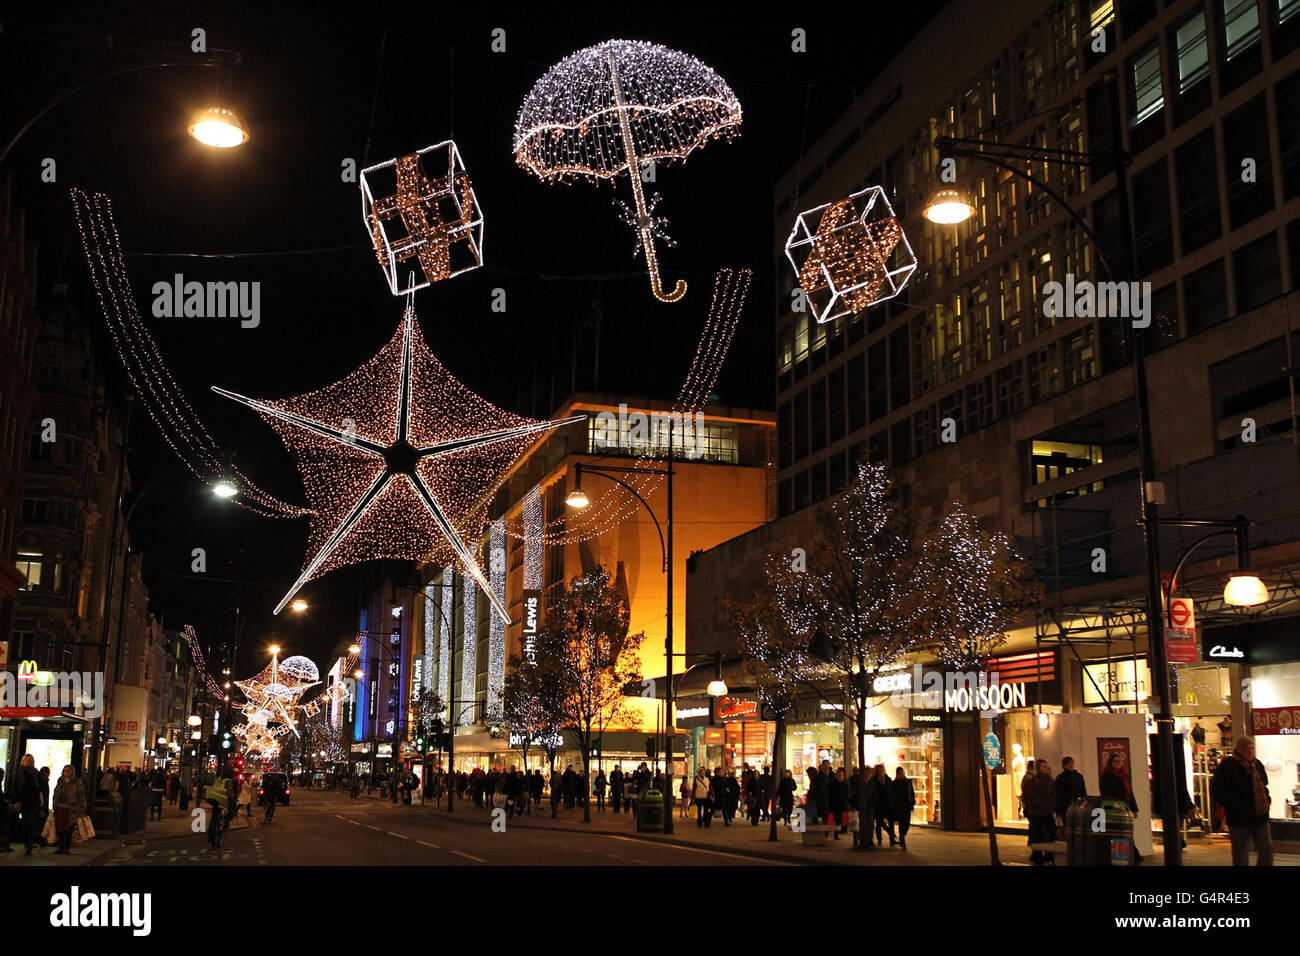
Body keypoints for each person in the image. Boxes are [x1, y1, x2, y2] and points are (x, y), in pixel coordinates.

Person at [1211, 735, 1273, 866]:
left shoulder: (1257, 764)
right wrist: (1234, 804)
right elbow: (1218, 789)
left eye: (1252, 748)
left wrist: (1267, 800)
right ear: (1238, 749)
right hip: (1239, 817)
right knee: (1240, 851)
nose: (1250, 752)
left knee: (1266, 848)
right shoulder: (1228, 765)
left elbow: (1264, 784)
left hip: (1260, 814)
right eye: (1247, 749)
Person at [1022, 759, 1057, 865]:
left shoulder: (1050, 780)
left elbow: (1054, 795)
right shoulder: (1033, 781)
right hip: (1037, 813)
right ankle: (1037, 855)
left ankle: (1049, 855)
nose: (1046, 768)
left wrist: (1051, 805)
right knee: (1036, 834)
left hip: (1047, 812)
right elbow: (1031, 796)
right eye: (1044, 766)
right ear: (1039, 768)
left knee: (1052, 832)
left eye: (1047, 766)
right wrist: (1042, 805)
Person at [51, 765, 87, 855]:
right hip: (60, 807)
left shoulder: (77, 782)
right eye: (65, 771)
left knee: (68, 827)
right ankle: (60, 846)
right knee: (60, 827)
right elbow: (56, 793)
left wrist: (82, 808)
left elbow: (81, 796)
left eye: (68, 771)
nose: (66, 773)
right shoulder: (60, 781)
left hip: (71, 808)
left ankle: (66, 846)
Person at [14, 754, 41, 856]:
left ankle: (29, 844)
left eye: (29, 760)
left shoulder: (33, 772)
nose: (28, 762)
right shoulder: (24, 771)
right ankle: (28, 843)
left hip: (31, 801)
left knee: (29, 823)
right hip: (27, 801)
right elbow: (20, 786)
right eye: (26, 760)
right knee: (28, 823)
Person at [1054, 756, 1088, 823]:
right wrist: (1058, 810)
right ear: (1064, 765)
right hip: (1065, 805)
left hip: (1077, 804)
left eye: (1072, 763)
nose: (1071, 765)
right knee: (1067, 823)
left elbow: (1083, 791)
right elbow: (1058, 794)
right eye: (1068, 763)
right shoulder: (1061, 778)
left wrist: (1084, 802)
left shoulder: (1078, 776)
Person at [892, 767, 915, 850]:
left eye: (903, 773)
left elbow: (912, 793)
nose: (902, 774)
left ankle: (902, 836)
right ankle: (902, 838)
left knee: (907, 823)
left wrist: (912, 802)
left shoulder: (908, 782)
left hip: (907, 805)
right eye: (901, 773)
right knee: (902, 823)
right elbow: (893, 795)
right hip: (899, 806)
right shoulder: (894, 783)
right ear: (897, 774)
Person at [871, 764, 893, 846]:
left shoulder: (888, 779)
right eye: (879, 770)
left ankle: (892, 838)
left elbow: (891, 791)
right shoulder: (874, 780)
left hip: (887, 804)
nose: (881, 772)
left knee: (890, 822)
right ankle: (880, 838)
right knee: (879, 823)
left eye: (882, 770)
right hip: (878, 804)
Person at [826, 767, 848, 839]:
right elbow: (829, 794)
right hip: (833, 804)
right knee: (832, 820)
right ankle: (828, 832)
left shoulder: (844, 784)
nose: (840, 776)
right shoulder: (832, 783)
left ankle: (836, 833)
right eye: (839, 774)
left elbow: (847, 793)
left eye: (842, 775)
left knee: (838, 820)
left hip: (841, 804)